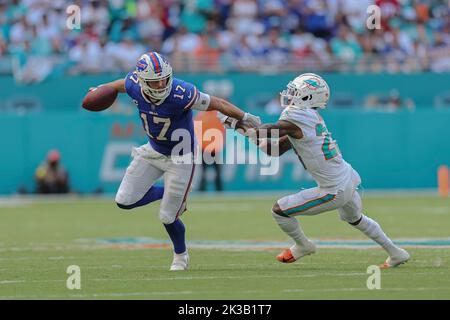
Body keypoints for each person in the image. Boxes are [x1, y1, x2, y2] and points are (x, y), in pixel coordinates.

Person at [89, 51, 260, 271]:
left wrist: (244, 117)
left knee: (167, 216)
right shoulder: (134, 83)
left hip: (182, 157)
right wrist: (100, 88)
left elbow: (215, 102)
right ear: (142, 81)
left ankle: (181, 255)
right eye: (155, 81)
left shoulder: (181, 92)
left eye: (164, 79)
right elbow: (119, 85)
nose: (161, 85)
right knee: (124, 200)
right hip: (153, 151)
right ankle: (170, 193)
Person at [243, 73, 409, 268]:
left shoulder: (297, 116)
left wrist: (243, 122)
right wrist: (248, 133)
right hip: (347, 176)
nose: (290, 95)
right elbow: (274, 149)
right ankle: (396, 252)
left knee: (279, 211)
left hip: (333, 189)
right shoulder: (307, 118)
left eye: (295, 92)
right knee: (356, 219)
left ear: (308, 97)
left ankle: (303, 245)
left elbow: (269, 129)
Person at [194, 110, 225, 192]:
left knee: (206, 170)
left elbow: (196, 130)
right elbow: (222, 129)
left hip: (206, 147)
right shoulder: (217, 115)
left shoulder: (201, 115)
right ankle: (218, 190)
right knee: (215, 170)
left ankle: (202, 190)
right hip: (211, 147)